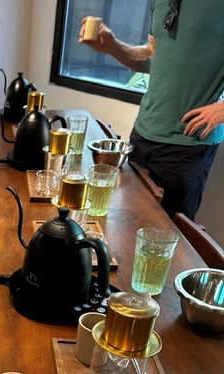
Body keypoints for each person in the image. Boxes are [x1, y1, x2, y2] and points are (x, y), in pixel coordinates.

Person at [80, 0, 224, 220]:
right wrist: (112, 46)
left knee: (167, 234)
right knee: (127, 222)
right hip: (141, 135)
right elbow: (151, 55)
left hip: (187, 144)